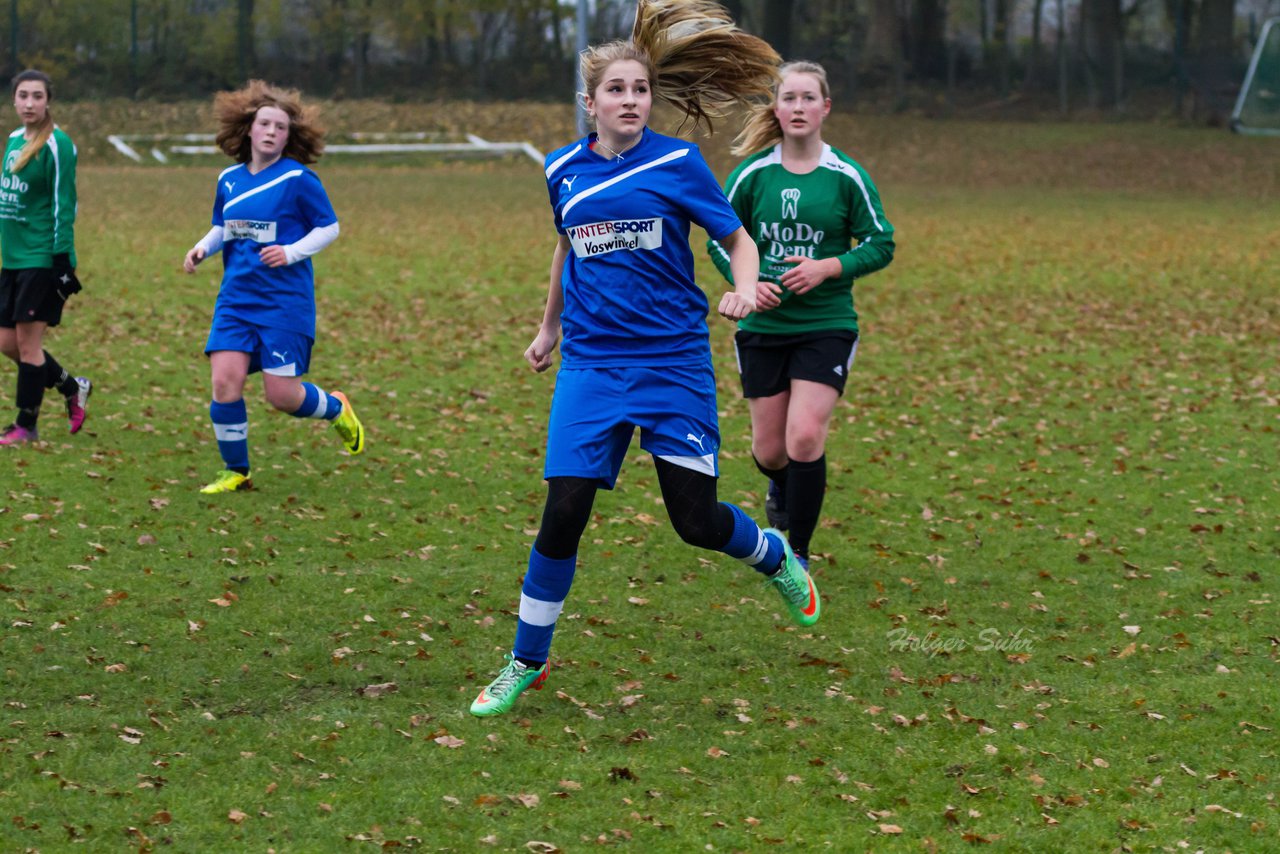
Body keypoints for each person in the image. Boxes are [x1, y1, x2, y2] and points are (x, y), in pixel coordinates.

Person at [470, 0, 820, 718]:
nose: (630, 101)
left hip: (672, 365)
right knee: (563, 511)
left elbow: (739, 239)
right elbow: (566, 249)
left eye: (640, 90)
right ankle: (525, 661)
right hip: (592, 367)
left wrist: (746, 291)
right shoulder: (560, 169)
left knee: (694, 523)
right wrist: (549, 329)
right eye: (616, 91)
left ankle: (773, 554)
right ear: (590, 102)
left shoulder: (679, 163)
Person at [707, 60, 894, 567]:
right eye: (789, 98)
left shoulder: (846, 176)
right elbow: (719, 241)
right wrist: (748, 284)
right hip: (762, 327)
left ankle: (798, 553)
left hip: (826, 324)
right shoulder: (751, 174)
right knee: (770, 451)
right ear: (777, 107)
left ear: (825, 107)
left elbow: (881, 243)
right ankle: (781, 490)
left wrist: (829, 266)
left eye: (808, 98)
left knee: (805, 436)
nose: (798, 107)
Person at [182, 80, 363, 494]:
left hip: (284, 303)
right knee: (224, 382)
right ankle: (236, 471)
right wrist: (200, 249)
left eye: (280, 128)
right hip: (236, 299)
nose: (271, 132)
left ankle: (335, 408)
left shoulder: (299, 179)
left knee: (282, 397)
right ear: (249, 128)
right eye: (264, 124)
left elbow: (329, 228)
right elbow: (223, 226)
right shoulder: (228, 179)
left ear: (289, 136)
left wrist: (291, 252)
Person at [0, 70, 92, 445]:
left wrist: (62, 262)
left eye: (37, 96)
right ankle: (72, 386)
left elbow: (62, 205)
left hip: (42, 258)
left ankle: (26, 425)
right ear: (14, 100)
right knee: (6, 342)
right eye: (23, 96)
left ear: (47, 101)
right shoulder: (12, 140)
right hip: (12, 259)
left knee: (28, 346)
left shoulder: (57, 144)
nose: (29, 103)